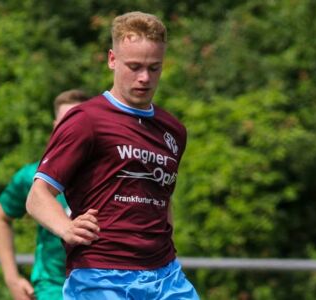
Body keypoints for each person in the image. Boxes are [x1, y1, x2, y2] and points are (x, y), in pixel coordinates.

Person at [26, 11, 199, 300]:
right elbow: (38, 195)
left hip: (165, 274)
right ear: (112, 60)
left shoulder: (174, 131)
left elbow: (162, 199)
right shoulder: (87, 119)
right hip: (101, 273)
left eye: (154, 68)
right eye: (134, 66)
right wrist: (67, 228)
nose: (144, 77)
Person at [0, 89, 89, 300]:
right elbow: (1, 217)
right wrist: (12, 278)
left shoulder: (113, 175)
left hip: (104, 287)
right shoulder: (33, 176)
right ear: (56, 127)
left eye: (80, 122)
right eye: (66, 122)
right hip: (52, 288)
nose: (74, 129)